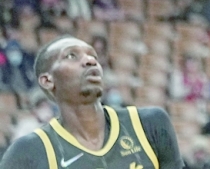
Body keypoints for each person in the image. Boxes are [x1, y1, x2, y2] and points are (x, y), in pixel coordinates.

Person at [0, 35, 182, 169]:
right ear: (48, 80)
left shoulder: (149, 124)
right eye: (71, 56)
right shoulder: (29, 152)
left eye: (93, 56)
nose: (90, 60)